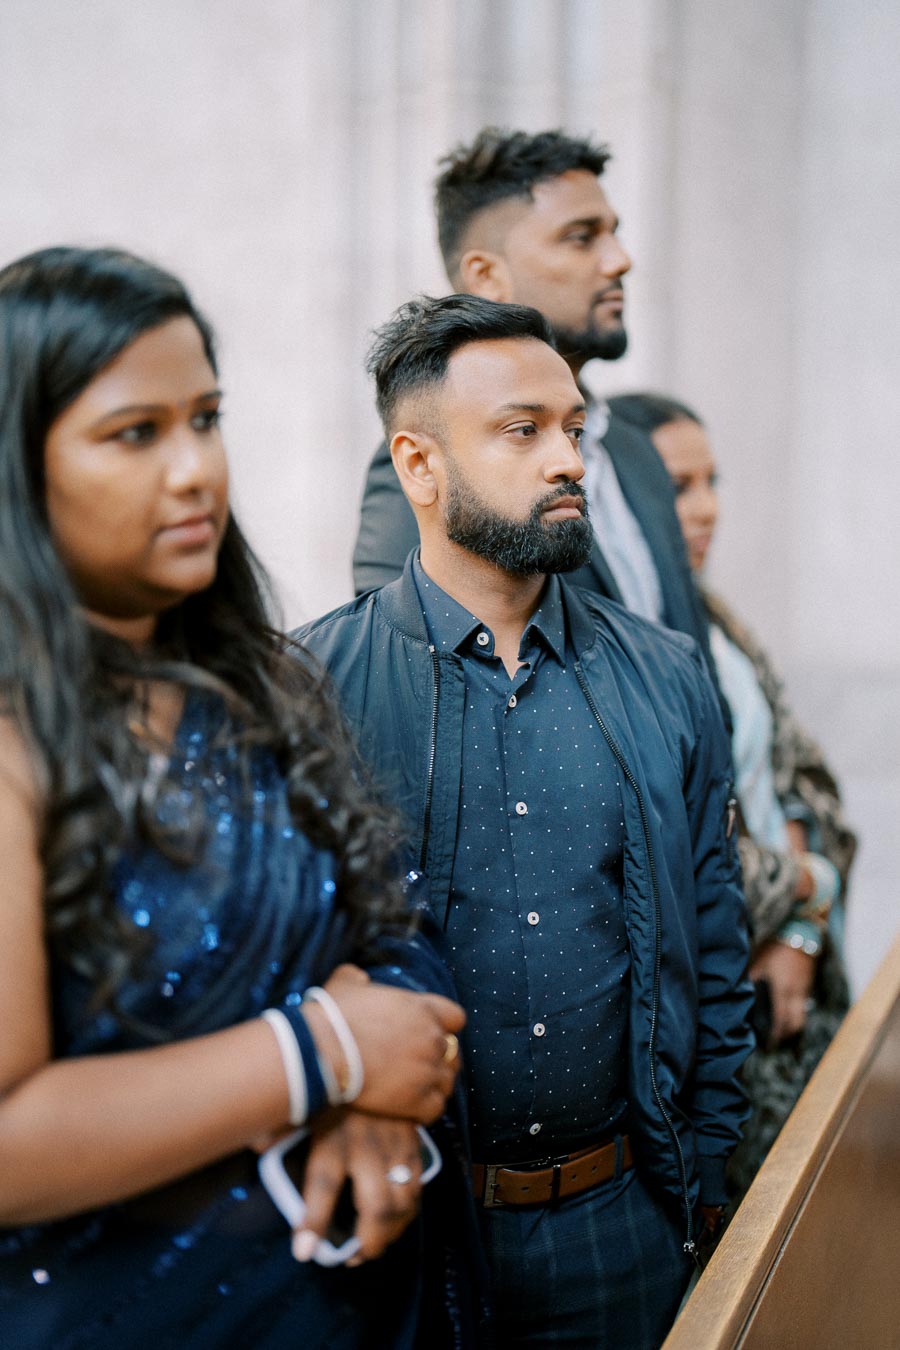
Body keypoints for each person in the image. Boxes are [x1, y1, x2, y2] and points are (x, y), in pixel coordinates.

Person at [0, 246, 487, 1350]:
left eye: (206, 419)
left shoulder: (267, 684)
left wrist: (372, 1094)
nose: (196, 472)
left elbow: (396, 924)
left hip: (341, 1299)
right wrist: (321, 1057)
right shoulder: (14, 741)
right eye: (136, 434)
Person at [299, 294, 754, 1349]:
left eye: (573, 428)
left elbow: (714, 943)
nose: (569, 461)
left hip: (625, 1226)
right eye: (523, 431)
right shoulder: (309, 689)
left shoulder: (667, 675)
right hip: (410, 1236)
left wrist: (706, 1175)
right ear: (419, 466)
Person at [609, 391, 858, 1200]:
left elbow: (806, 777)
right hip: (728, 1010)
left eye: (712, 481)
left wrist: (806, 926)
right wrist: (807, 885)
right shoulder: (623, 637)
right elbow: (675, 849)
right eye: (679, 487)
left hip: (798, 982)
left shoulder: (718, 616)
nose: (706, 508)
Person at [351, 128, 716, 680]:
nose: (620, 261)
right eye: (580, 237)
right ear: (486, 276)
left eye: (614, 234)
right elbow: (410, 674)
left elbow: (689, 660)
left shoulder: (637, 451)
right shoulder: (436, 466)